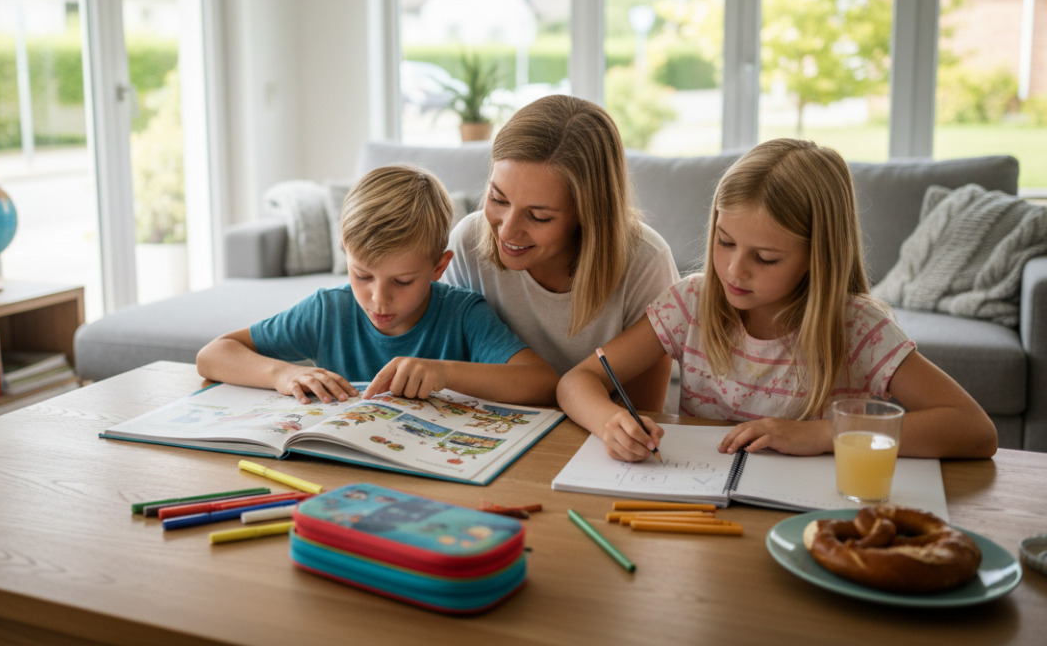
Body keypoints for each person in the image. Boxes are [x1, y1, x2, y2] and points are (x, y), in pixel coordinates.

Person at [557, 138, 999, 461]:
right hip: (708, 508)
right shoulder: (692, 302)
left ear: (818, 256)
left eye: (765, 258)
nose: (733, 271)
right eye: (725, 242)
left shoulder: (856, 327)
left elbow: (973, 429)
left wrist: (824, 435)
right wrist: (609, 422)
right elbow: (577, 382)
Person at [196, 165, 558, 406]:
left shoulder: (463, 315)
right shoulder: (328, 311)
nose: (378, 299)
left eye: (402, 281)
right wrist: (283, 373)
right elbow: (212, 355)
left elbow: (541, 382)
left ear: (438, 266)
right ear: (345, 254)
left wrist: (443, 373)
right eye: (363, 275)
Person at [443, 95, 679, 408]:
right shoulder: (468, 242)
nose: (508, 231)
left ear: (588, 212)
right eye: (498, 199)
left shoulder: (645, 264)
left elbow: (643, 413)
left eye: (539, 216)